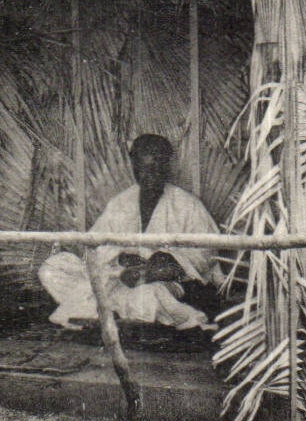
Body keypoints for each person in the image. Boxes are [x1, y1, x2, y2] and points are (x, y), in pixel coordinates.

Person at [38, 134, 220, 330]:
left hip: (156, 282)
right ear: (134, 167)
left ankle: (99, 313)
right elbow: (95, 245)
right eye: (144, 169)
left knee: (151, 297)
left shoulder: (187, 204)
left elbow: (206, 253)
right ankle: (110, 313)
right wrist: (120, 259)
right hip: (118, 277)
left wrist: (155, 269)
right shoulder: (120, 202)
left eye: (157, 168)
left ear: (167, 167)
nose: (150, 175)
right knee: (52, 269)